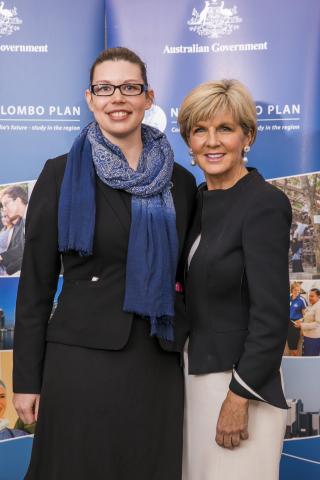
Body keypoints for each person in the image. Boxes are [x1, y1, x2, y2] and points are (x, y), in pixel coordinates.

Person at [13, 47, 196, 480]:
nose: (118, 97)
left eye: (130, 87)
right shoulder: (60, 175)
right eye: (105, 88)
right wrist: (26, 379)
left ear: (148, 98)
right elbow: (36, 286)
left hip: (156, 359)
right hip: (80, 363)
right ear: (90, 97)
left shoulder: (182, 183)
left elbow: (189, 276)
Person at [178, 79, 291, 480]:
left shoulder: (264, 203)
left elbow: (272, 316)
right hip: (191, 381)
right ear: (188, 141)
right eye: (200, 130)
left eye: (225, 128)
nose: (212, 141)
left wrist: (238, 397)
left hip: (239, 388)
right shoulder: (194, 201)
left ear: (248, 136)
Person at [0, 185, 28, 275]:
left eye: (6, 204)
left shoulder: (37, 217)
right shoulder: (20, 223)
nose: (4, 209)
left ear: (18, 200)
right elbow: (20, 248)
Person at [295, 288, 320, 356]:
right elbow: (307, 317)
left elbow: (317, 324)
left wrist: (302, 325)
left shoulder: (318, 307)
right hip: (308, 337)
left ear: (318, 296)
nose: (309, 298)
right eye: (309, 296)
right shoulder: (312, 305)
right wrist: (300, 321)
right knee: (306, 357)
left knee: (310, 359)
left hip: (314, 339)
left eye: (312, 296)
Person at [287, 282, 307, 356]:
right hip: (287, 323)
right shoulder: (288, 298)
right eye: (295, 290)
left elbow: (306, 315)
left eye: (299, 290)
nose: (297, 292)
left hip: (295, 324)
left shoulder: (301, 300)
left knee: (294, 346)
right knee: (289, 346)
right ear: (292, 290)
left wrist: (301, 321)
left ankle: (296, 363)